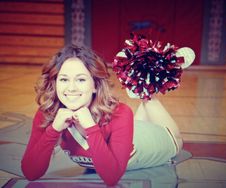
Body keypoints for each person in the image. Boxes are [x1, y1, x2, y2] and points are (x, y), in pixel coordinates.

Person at [21, 45, 182, 186]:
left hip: (145, 144)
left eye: (81, 80)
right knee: (129, 128)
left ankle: (147, 89)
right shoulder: (47, 114)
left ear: (95, 86)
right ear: (55, 83)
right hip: (123, 136)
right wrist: (54, 129)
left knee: (177, 141)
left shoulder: (121, 112)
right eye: (63, 79)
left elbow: (111, 178)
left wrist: (90, 127)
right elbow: (30, 172)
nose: (71, 88)